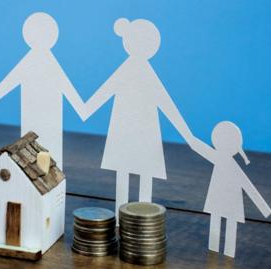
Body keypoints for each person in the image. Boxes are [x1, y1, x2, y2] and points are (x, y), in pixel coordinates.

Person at [78, 18, 194, 217]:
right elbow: (107, 91)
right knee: (131, 172)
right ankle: (129, 218)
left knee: (138, 171)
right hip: (128, 130)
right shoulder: (132, 70)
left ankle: (141, 219)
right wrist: (188, 135)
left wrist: (85, 109)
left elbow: (165, 103)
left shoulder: (138, 72)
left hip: (141, 130)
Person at [0, 12, 87, 169]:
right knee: (33, 161)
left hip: (50, 123)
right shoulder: (33, 63)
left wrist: (85, 109)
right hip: (33, 123)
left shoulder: (46, 64)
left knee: (49, 164)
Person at [189, 121, 271, 258]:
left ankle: (224, 249)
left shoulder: (228, 163)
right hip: (220, 198)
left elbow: (248, 186)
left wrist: (264, 208)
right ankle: (216, 247)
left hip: (230, 200)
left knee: (228, 224)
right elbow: (197, 146)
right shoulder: (223, 160)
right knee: (218, 221)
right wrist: (190, 138)